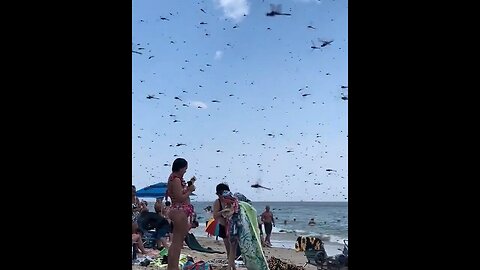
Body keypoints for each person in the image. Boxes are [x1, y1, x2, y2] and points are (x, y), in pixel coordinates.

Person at [165, 158, 196, 270]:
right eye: (185, 168)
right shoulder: (176, 179)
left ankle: (172, 267)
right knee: (178, 243)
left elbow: (177, 194)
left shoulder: (173, 178)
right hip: (179, 211)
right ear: (181, 167)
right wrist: (190, 190)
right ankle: (174, 267)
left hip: (176, 210)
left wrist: (188, 187)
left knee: (175, 242)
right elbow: (179, 197)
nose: (185, 171)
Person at [213, 184, 233, 263]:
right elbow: (215, 216)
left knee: (233, 245)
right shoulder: (217, 202)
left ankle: (232, 259)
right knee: (228, 246)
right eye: (220, 194)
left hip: (231, 225)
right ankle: (230, 261)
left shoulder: (231, 200)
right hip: (223, 226)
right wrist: (222, 212)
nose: (222, 196)